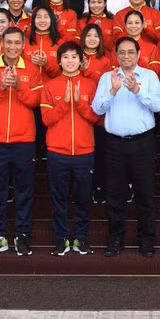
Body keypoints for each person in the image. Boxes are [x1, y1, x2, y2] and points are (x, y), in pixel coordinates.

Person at [92, 37, 160, 258]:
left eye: (130, 52)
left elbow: (158, 105)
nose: (126, 56)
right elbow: (97, 108)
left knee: (145, 194)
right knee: (114, 195)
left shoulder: (150, 76)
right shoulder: (107, 78)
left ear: (139, 54)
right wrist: (113, 91)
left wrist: (137, 91)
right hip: (114, 144)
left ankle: (147, 240)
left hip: (143, 142)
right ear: (116, 55)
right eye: (121, 52)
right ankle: (116, 239)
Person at [0, 27, 43, 256]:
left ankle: (22, 235)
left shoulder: (33, 69)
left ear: (23, 45)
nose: (13, 47)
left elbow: (35, 101)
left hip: (24, 139)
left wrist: (18, 86)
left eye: (17, 43)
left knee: (24, 189)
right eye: (9, 43)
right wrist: (2, 87)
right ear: (2, 44)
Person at [41, 42, 100, 255]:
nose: (70, 61)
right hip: (58, 152)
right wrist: (65, 103)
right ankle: (62, 238)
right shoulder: (50, 86)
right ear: (59, 61)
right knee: (59, 197)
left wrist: (80, 103)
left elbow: (96, 117)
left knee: (84, 197)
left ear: (81, 61)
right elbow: (46, 119)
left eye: (74, 57)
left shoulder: (90, 85)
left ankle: (81, 238)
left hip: (84, 152)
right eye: (65, 57)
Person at [77, 24, 113, 204]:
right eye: (88, 35)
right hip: (78, 114)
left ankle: (100, 187)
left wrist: (86, 71)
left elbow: (104, 85)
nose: (92, 39)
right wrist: (81, 68)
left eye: (96, 36)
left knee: (101, 154)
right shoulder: (75, 57)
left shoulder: (105, 61)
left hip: (99, 116)